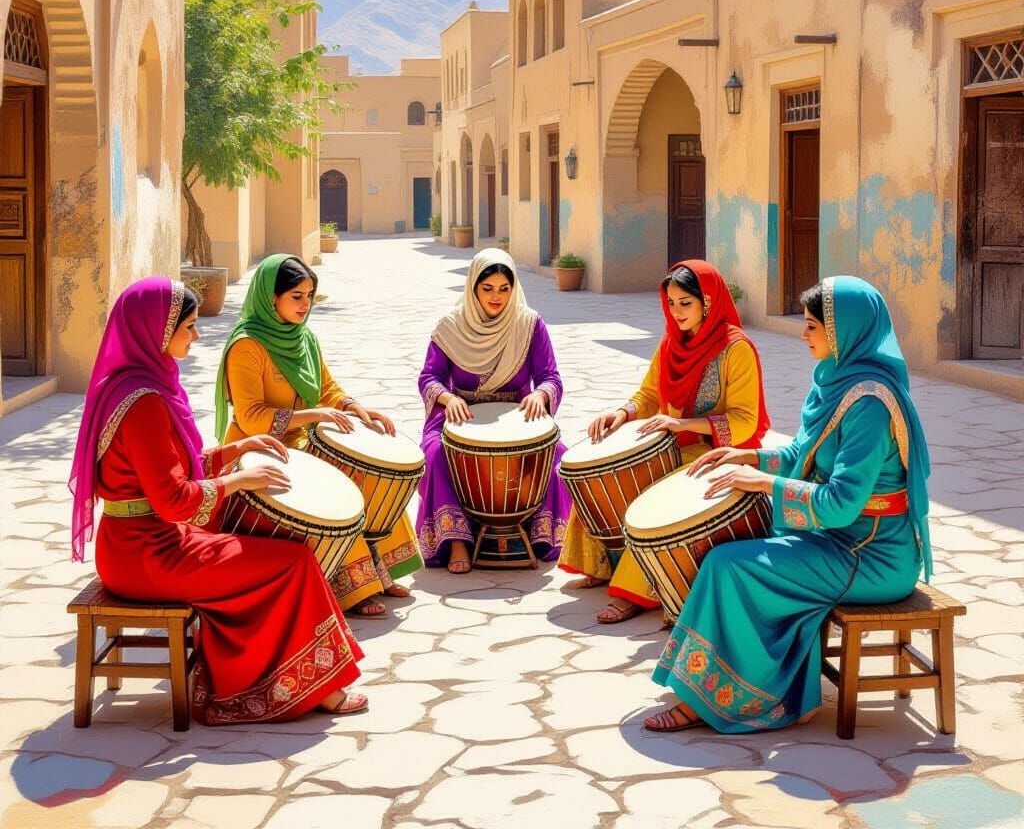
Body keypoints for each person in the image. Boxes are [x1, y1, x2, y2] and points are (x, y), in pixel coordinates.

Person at [69, 277, 366, 724]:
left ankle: (270, 670)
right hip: (148, 553)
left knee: (254, 538)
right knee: (293, 560)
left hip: (134, 542)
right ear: (156, 331)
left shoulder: (130, 384)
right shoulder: (143, 402)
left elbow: (167, 467)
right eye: (188, 326)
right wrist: (238, 480)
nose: (197, 334)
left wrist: (233, 451)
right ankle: (294, 686)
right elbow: (172, 499)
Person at [643, 275, 932, 732]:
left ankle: (732, 695)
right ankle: (727, 682)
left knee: (730, 563)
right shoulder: (835, 382)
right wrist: (750, 456)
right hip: (838, 542)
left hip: (873, 555)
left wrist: (763, 484)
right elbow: (802, 455)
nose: (804, 336)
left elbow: (839, 504)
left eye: (813, 327)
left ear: (844, 333)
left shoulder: (871, 405)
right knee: (732, 548)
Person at [560, 260, 770, 623]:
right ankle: (601, 564)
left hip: (718, 454)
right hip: (674, 444)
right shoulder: (671, 344)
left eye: (685, 303)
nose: (676, 312)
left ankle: (635, 592)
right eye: (671, 303)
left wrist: (682, 422)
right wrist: (623, 413)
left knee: (653, 495)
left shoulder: (737, 350)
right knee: (605, 471)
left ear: (708, 301)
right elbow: (648, 395)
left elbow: (744, 420)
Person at [215, 254, 422, 618]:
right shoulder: (246, 346)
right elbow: (250, 417)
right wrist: (311, 415)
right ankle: (354, 587)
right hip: (255, 450)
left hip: (300, 446)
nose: (305, 304)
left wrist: (355, 407)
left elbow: (327, 388)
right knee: (336, 498)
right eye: (296, 296)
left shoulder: (304, 338)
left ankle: (379, 570)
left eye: (309, 295)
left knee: (367, 474)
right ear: (271, 297)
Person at [416, 248, 571, 572]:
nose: (496, 296)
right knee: (435, 453)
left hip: (517, 412)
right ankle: (456, 541)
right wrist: (448, 398)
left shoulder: (529, 324)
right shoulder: (450, 327)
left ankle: (538, 533)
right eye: (487, 288)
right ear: (473, 287)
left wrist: (541, 395)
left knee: (557, 453)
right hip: (460, 412)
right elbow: (429, 377)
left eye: (504, 288)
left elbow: (550, 377)